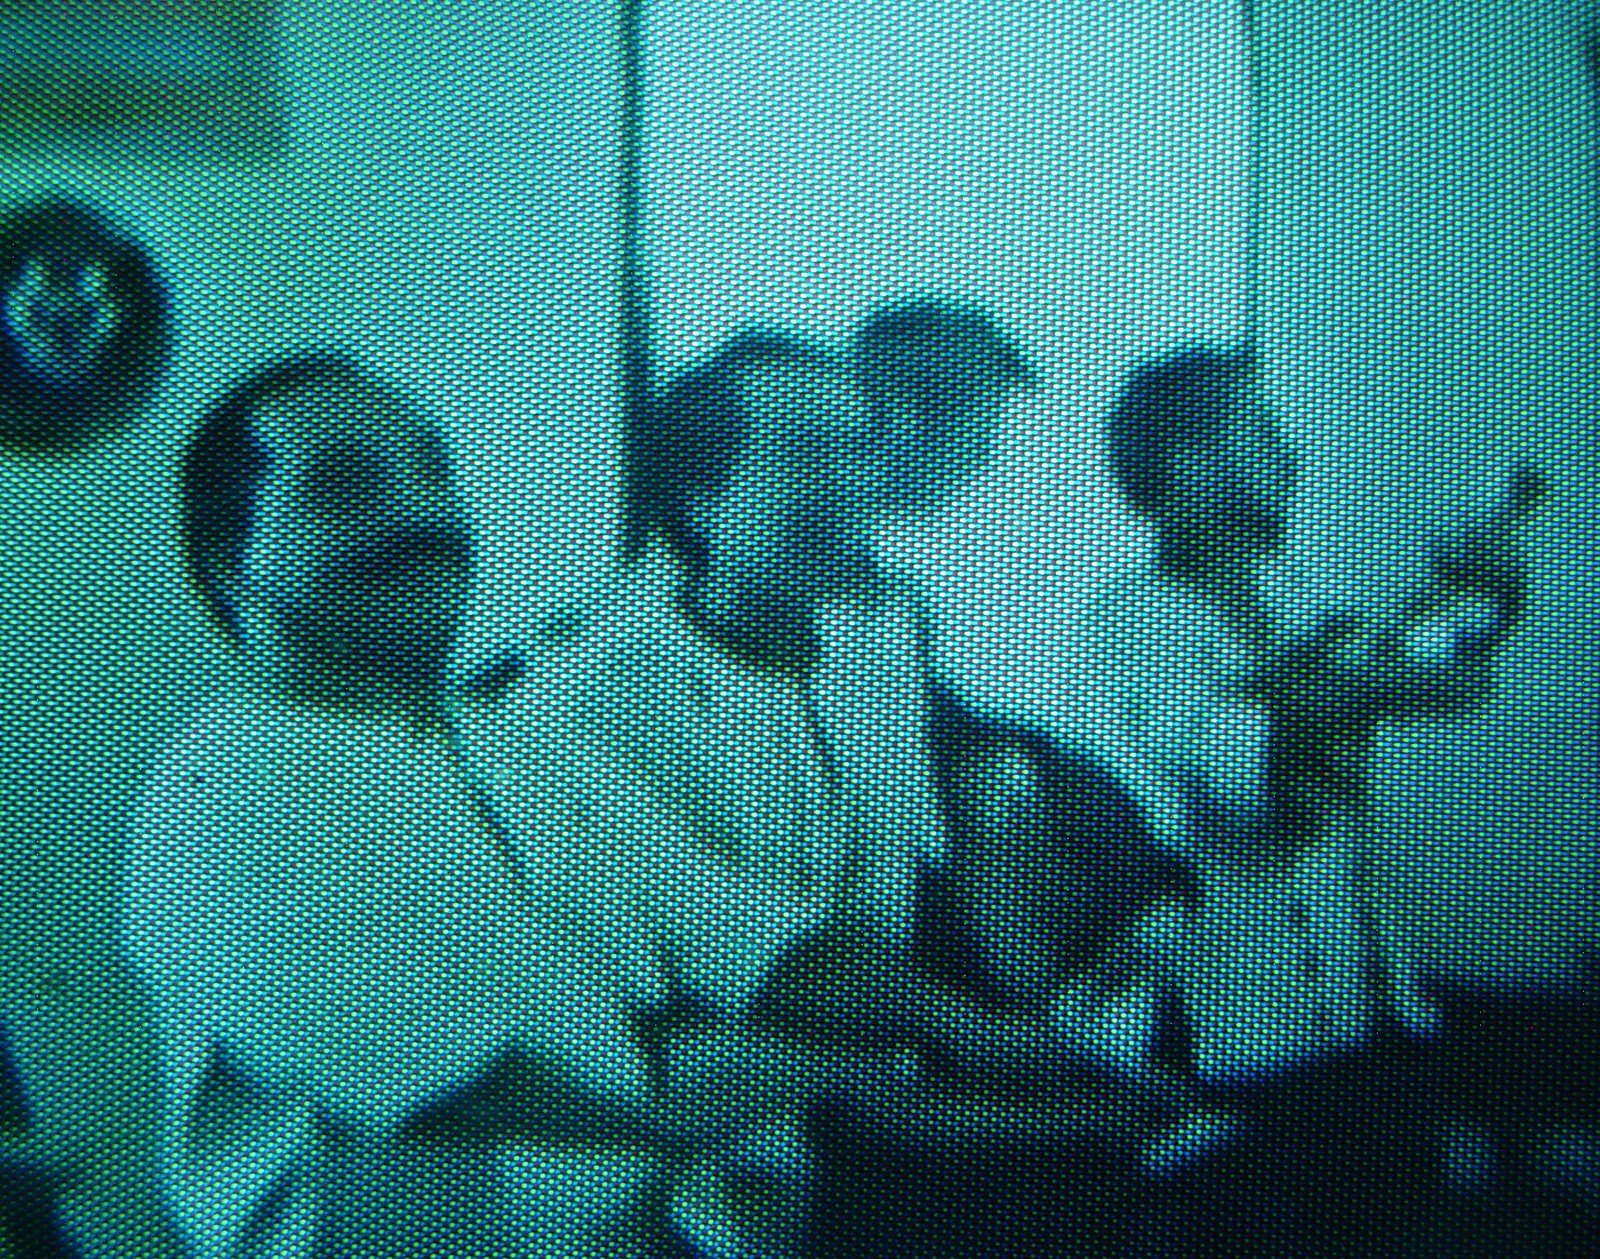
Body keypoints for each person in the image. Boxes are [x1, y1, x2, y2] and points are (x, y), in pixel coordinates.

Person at [122, 355, 670, 1258]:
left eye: (431, 472)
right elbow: (425, 1079)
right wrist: (693, 1132)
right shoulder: (218, 787)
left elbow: (647, 982)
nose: (421, 515)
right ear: (230, 565)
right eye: (342, 487)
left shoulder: (493, 738)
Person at [1101, 345, 1543, 1078]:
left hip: (1374, 997)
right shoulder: (1137, 623)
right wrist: (1356, 687)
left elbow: (1448, 683)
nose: (1290, 458)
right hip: (1255, 1031)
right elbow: (1238, 793)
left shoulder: (1288, 587)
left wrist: (1495, 603)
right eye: (1259, 433)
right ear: (1187, 465)